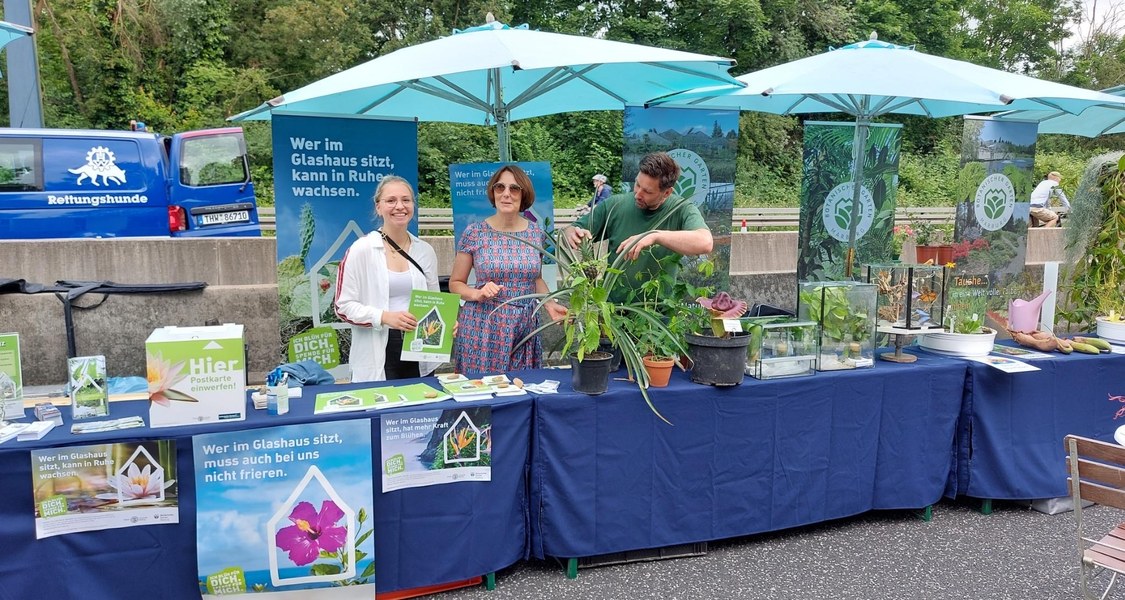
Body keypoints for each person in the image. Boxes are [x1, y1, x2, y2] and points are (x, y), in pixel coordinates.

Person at [449, 164, 567, 375]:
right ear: (492, 193)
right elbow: (455, 283)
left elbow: (535, 278)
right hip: (485, 325)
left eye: (514, 188)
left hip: (524, 326)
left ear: (524, 194)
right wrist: (477, 293)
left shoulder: (536, 234)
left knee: (523, 389)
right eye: (499, 187)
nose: (506, 194)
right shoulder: (475, 233)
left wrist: (550, 304)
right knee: (483, 395)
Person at [564, 151, 713, 300]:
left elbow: (705, 242)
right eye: (637, 184)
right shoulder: (615, 205)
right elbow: (571, 229)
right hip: (611, 311)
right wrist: (573, 233)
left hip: (658, 313)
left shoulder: (681, 209)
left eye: (647, 191)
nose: (637, 194)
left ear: (667, 192)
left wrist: (654, 236)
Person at [334, 175, 440, 382]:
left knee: (422, 410)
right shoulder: (361, 250)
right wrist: (384, 317)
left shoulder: (425, 251)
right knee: (381, 410)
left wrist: (444, 322)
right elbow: (342, 307)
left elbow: (434, 302)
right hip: (378, 348)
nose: (399, 206)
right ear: (378, 207)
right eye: (391, 201)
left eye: (406, 200)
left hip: (420, 344)